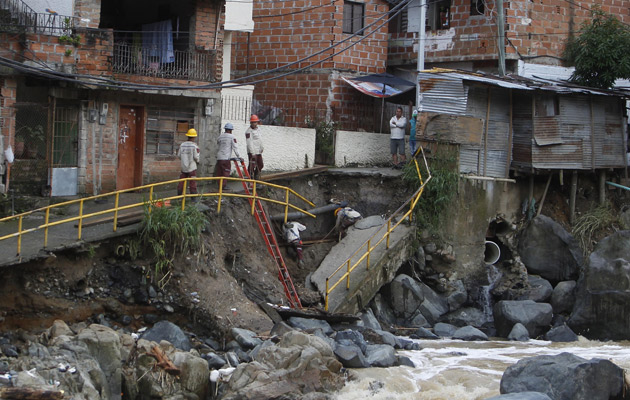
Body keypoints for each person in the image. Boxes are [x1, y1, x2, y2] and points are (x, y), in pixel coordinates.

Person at [215, 123, 241, 190]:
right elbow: (235, 147)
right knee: (226, 172)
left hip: (219, 158)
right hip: (226, 158)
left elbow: (217, 146)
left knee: (219, 172)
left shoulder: (220, 137)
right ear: (230, 130)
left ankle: (219, 185)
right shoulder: (232, 137)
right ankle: (223, 186)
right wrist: (239, 156)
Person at [177, 128, 200, 196]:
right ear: (194, 137)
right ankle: (193, 197)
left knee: (181, 182)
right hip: (192, 167)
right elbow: (196, 157)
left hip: (184, 167)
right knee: (192, 182)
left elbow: (179, 156)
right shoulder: (194, 146)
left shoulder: (182, 145)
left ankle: (179, 195)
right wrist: (198, 161)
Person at [245, 114, 264, 180]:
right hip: (252, 151)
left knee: (260, 165)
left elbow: (260, 139)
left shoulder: (259, 130)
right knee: (252, 166)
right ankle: (249, 177)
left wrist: (262, 148)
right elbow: (249, 143)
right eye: (253, 122)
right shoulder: (248, 131)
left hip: (258, 151)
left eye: (255, 122)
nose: (254, 124)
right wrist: (253, 153)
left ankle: (256, 176)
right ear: (250, 122)